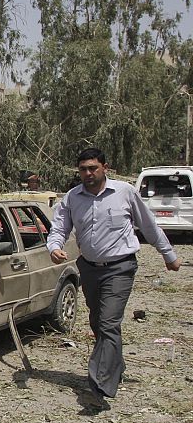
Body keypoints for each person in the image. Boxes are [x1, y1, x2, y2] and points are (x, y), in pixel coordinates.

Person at [47, 148, 181, 409]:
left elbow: (148, 224)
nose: (88, 173)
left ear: (104, 167)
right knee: (98, 321)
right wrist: (53, 248)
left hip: (120, 268)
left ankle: (99, 387)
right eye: (83, 169)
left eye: (93, 168)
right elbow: (59, 228)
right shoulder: (73, 198)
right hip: (89, 268)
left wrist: (168, 254)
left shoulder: (125, 192)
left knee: (108, 322)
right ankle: (115, 366)